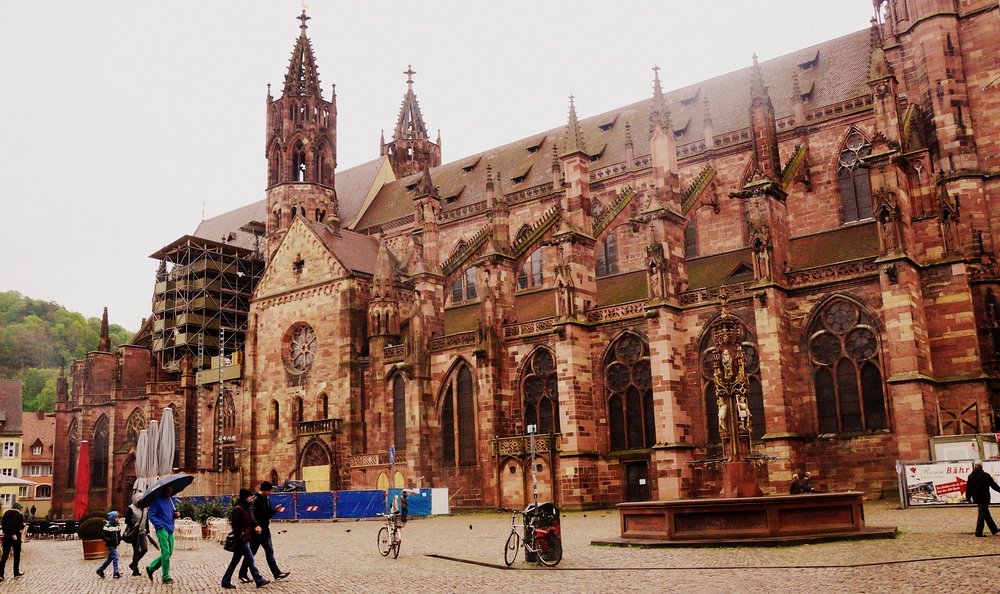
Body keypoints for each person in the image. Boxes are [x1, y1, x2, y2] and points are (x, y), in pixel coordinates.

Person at [238, 481, 289, 583]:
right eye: (269, 490)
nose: (270, 492)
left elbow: (268, 514)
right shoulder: (256, 499)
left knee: (269, 551)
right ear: (264, 490)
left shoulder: (267, 499)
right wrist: (256, 525)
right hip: (257, 531)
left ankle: (277, 573)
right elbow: (251, 513)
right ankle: (242, 573)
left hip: (265, 530)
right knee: (252, 553)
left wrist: (275, 510)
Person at [222, 489, 269, 589]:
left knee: (235, 561)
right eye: (250, 496)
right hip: (241, 539)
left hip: (246, 538)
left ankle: (225, 581)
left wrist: (255, 527)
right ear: (245, 497)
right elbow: (236, 525)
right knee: (250, 559)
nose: (252, 497)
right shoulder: (238, 509)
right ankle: (259, 580)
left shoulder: (247, 508)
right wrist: (242, 535)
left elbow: (249, 522)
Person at [145, 485, 178, 584]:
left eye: (171, 490)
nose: (170, 491)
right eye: (168, 490)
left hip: (170, 529)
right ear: (163, 490)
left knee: (169, 553)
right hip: (162, 529)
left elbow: (170, 514)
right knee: (166, 552)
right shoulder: (157, 500)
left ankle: (151, 568)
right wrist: (160, 525)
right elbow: (151, 515)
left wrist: (175, 515)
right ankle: (165, 576)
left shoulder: (170, 501)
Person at [965, 461, 1000, 537]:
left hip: (976, 498)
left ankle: (994, 529)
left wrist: (968, 498)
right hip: (984, 497)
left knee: (986, 514)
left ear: (975, 466)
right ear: (981, 466)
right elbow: (993, 485)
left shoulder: (970, 476)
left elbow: (968, 488)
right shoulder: (985, 475)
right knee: (982, 514)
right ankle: (978, 532)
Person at [124, 491, 151, 576]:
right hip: (134, 533)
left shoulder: (145, 508)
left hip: (142, 532)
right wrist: (134, 525)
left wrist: (148, 530)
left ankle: (133, 564)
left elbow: (146, 519)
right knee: (136, 550)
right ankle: (135, 570)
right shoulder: (131, 508)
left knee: (144, 549)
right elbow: (127, 520)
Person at [0, 507, 25, 581]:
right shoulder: (19, 515)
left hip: (7, 536)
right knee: (16, 555)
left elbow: (3, 527)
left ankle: (1, 574)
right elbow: (19, 526)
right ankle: (16, 572)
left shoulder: (6, 515)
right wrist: (23, 526)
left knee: (5, 555)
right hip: (15, 537)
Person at [96, 511, 122, 579]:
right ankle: (116, 572)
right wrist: (109, 540)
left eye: (117, 517)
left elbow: (119, 534)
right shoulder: (107, 526)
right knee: (115, 558)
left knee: (110, 559)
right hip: (110, 544)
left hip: (115, 544)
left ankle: (100, 570)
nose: (117, 518)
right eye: (116, 517)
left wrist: (119, 540)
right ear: (112, 518)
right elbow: (104, 536)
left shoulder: (117, 525)